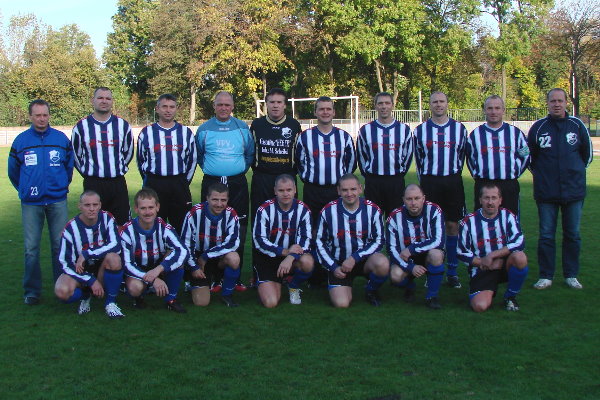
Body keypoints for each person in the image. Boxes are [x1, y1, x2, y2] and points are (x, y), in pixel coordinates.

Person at [8, 99, 74, 305]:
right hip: (31, 203)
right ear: (30, 116)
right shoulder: (21, 141)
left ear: (49, 115)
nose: (42, 118)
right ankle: (32, 292)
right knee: (31, 248)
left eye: (45, 114)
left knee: (59, 246)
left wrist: (60, 186)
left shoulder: (61, 139)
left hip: (57, 201)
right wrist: (26, 190)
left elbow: (69, 167)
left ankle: (61, 287)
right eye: (37, 115)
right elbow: (13, 172)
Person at [528, 88, 593, 290]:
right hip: (546, 192)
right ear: (547, 103)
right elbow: (530, 158)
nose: (557, 104)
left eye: (560, 101)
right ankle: (546, 275)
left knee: (572, 234)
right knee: (546, 235)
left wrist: (573, 172)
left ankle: (571, 275)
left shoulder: (577, 125)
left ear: (566, 103)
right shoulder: (538, 127)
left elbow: (587, 155)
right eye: (553, 101)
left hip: (573, 192)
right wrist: (544, 176)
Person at [196, 91, 254, 292]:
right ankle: (213, 276)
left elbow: (249, 155)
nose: (223, 108)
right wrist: (215, 170)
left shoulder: (242, 128)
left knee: (240, 227)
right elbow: (200, 156)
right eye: (219, 104)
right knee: (211, 228)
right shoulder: (204, 129)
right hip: (212, 182)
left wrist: (235, 172)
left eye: (227, 105)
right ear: (214, 106)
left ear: (232, 106)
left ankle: (235, 277)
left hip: (237, 183)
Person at [413, 91, 467, 288]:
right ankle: (432, 271)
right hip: (430, 182)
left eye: (441, 101)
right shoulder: (420, 131)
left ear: (447, 104)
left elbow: (461, 156)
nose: (438, 105)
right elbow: (418, 159)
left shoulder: (459, 129)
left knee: (453, 226)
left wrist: (452, 175)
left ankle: (452, 272)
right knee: (430, 228)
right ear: (430, 105)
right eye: (434, 102)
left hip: (452, 182)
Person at [315, 174, 389, 307]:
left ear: (360, 189)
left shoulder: (373, 210)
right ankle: (335, 281)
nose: (349, 193)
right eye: (344, 190)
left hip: (364, 260)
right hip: (339, 263)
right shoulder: (328, 211)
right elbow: (320, 242)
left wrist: (355, 258)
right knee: (341, 303)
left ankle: (371, 290)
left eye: (353, 189)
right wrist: (333, 267)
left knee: (382, 263)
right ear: (338, 191)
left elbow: (379, 240)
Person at [457, 184, 529, 312]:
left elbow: (519, 242)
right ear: (480, 200)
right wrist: (484, 263)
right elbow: (461, 252)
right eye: (486, 198)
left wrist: (493, 256)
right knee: (480, 307)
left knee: (520, 257)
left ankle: (510, 296)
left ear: (500, 200)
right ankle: (483, 289)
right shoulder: (468, 222)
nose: (490, 202)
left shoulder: (508, 216)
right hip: (482, 268)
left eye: (494, 198)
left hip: (503, 264)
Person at [54, 191, 125, 318]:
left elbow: (116, 245)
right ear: (79, 206)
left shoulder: (107, 218)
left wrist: (87, 253)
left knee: (114, 258)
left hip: (102, 269)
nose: (91, 209)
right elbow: (65, 263)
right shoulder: (70, 228)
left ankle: (111, 303)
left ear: (100, 205)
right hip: (81, 271)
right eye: (87, 205)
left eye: (95, 204)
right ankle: (86, 295)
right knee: (61, 291)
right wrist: (90, 280)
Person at [72, 87, 134, 226]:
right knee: (94, 224)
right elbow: (76, 156)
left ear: (112, 102)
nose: (104, 101)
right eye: (100, 98)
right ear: (92, 101)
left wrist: (115, 167)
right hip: (93, 183)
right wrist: (90, 173)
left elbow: (128, 152)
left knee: (122, 225)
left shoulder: (122, 125)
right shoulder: (81, 127)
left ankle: (120, 248)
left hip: (117, 183)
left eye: (108, 98)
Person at [120, 188, 189, 313]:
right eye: (143, 208)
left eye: (151, 207)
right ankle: (139, 297)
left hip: (158, 268)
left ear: (157, 207)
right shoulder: (127, 231)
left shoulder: (165, 228)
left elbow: (183, 251)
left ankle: (171, 299)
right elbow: (126, 264)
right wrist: (152, 279)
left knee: (177, 258)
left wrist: (159, 269)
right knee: (135, 288)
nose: (147, 212)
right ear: (136, 209)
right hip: (138, 271)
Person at [137, 94, 197, 233]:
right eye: (164, 106)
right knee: (154, 225)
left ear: (176, 109)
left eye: (172, 107)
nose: (168, 110)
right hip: (154, 183)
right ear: (157, 109)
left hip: (179, 184)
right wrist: (150, 180)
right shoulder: (147, 132)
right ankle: (155, 254)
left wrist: (183, 181)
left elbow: (192, 160)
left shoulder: (185, 133)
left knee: (182, 226)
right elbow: (141, 160)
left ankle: (181, 254)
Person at [253, 174, 314, 307]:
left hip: (291, 260)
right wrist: (285, 252)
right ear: (275, 191)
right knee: (271, 303)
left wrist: (290, 257)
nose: (285, 194)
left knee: (307, 261)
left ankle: (293, 285)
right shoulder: (264, 209)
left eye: (289, 190)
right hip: (268, 259)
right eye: (281, 190)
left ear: (295, 190)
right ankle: (273, 282)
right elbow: (259, 241)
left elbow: (306, 240)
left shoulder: (303, 210)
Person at [295, 96, 357, 223]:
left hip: (337, 190)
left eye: (328, 109)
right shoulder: (305, 136)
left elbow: (351, 163)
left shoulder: (344, 137)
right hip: (312, 190)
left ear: (334, 112)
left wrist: (342, 181)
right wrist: (309, 177)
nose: (325, 112)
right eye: (321, 109)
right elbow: (299, 162)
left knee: (337, 226)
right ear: (315, 112)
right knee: (313, 226)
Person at [465, 95, 530, 216]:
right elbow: (470, 158)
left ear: (503, 110)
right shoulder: (476, 134)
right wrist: (478, 175)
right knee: (482, 222)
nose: (493, 111)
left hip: (508, 185)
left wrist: (514, 173)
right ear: (484, 110)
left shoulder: (515, 133)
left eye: (497, 108)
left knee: (510, 221)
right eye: (489, 108)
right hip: (483, 184)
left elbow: (525, 156)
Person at [181, 183, 241, 307]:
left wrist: (206, 255)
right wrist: (194, 267)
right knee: (201, 303)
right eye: (215, 199)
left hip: (218, 257)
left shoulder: (231, 214)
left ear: (228, 200)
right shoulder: (194, 213)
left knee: (234, 258)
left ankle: (227, 294)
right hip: (198, 259)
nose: (219, 204)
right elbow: (186, 245)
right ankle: (193, 281)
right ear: (207, 198)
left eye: (223, 200)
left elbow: (232, 243)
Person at [386, 184, 445, 309]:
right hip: (405, 258)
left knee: (437, 254)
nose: (413, 202)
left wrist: (412, 249)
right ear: (403, 200)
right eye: (409, 199)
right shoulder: (394, 217)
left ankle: (432, 296)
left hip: (427, 255)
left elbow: (438, 240)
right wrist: (410, 267)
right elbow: (391, 249)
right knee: (395, 276)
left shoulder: (434, 210)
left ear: (423, 198)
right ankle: (409, 286)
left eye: (417, 198)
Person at [357, 92, 413, 216]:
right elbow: (361, 156)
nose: (384, 106)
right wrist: (368, 175)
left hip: (396, 181)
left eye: (387, 103)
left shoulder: (404, 130)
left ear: (392, 105)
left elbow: (407, 156)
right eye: (380, 103)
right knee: (372, 219)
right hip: (373, 182)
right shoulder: (365, 130)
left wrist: (399, 173)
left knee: (395, 220)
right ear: (375, 106)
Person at [250, 88, 302, 219]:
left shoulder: (294, 125)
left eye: (279, 102)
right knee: (260, 217)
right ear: (266, 104)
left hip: (287, 178)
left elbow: (299, 153)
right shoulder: (257, 124)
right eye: (272, 102)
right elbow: (249, 151)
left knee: (288, 218)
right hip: (262, 179)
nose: (275, 105)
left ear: (285, 105)